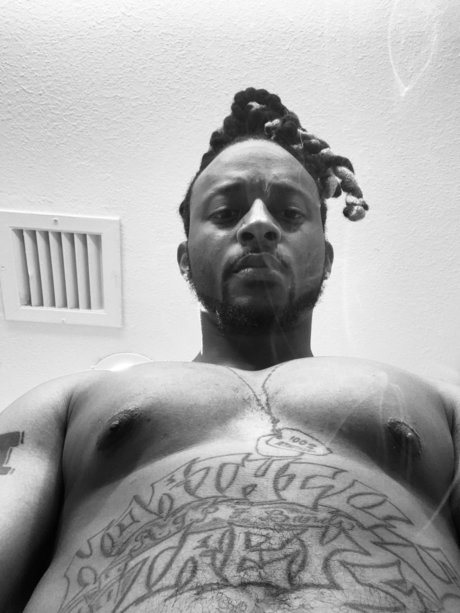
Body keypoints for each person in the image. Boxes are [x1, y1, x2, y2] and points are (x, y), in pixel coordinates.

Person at [1, 87, 459, 613]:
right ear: (185, 258)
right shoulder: (68, 401)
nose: (259, 224)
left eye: (289, 213)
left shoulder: (439, 404)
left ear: (327, 257)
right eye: (226, 212)